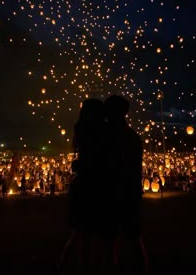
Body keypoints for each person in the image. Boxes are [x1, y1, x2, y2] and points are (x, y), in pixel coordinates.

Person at [60, 98, 117, 275]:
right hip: (100, 188)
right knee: (101, 237)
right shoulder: (105, 133)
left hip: (83, 188)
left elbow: (81, 163)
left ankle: (73, 267)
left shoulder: (81, 131)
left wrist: (79, 166)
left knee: (80, 235)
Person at [104, 94, 147, 274]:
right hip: (130, 195)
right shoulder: (133, 137)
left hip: (114, 194)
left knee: (111, 241)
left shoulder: (108, 137)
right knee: (134, 240)